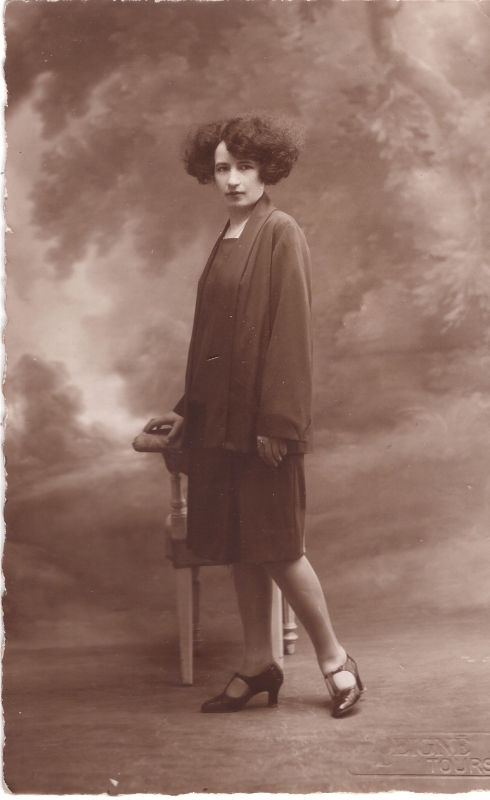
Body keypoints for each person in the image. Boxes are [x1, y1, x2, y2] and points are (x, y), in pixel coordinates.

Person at [144, 113, 364, 718]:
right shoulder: (227, 236)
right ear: (208, 173)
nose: (233, 179)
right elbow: (214, 342)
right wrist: (187, 412)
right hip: (220, 425)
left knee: (278, 547)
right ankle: (257, 664)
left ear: (266, 167)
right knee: (242, 547)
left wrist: (279, 423)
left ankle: (336, 662)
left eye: (244, 166)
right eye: (222, 168)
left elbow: (289, 334)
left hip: (264, 425)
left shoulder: (280, 231)